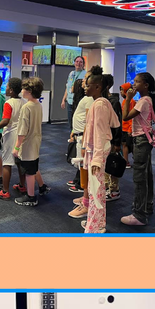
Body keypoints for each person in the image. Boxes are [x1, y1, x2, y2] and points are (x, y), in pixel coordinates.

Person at [120, 71, 155, 228]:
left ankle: (139, 214)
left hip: (141, 141)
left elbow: (125, 117)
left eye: (137, 82)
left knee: (139, 176)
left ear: (146, 85)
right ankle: (147, 206)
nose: (134, 83)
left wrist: (128, 99)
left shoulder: (143, 101)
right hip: (146, 139)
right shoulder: (148, 99)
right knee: (146, 174)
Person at [81, 68, 119, 234]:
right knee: (94, 187)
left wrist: (96, 158)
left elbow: (100, 132)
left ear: (97, 87)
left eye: (88, 85)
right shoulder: (101, 103)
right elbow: (114, 122)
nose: (85, 87)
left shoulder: (101, 105)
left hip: (98, 149)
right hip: (96, 148)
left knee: (96, 188)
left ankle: (95, 226)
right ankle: (96, 223)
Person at [13, 77, 49, 208]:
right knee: (33, 165)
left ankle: (31, 197)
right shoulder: (38, 104)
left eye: (24, 89)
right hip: (36, 140)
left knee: (28, 171)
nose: (21, 91)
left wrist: (16, 147)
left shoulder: (26, 107)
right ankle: (42, 186)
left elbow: (22, 130)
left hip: (27, 143)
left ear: (29, 91)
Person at [0, 77, 25, 200]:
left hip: (10, 134)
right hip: (21, 134)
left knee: (7, 162)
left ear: (11, 90)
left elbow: (5, 120)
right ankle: (22, 186)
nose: (5, 88)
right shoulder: (24, 102)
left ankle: (5, 191)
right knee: (19, 161)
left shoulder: (8, 103)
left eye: (6, 87)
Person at [66, 76, 93, 220]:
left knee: (85, 171)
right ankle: (85, 199)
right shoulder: (86, 98)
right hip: (80, 136)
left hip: (84, 138)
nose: (83, 83)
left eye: (86, 81)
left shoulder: (90, 99)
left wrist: (83, 143)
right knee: (83, 170)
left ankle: (86, 204)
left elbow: (89, 122)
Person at [104, 74, 123, 203]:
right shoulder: (100, 100)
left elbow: (117, 124)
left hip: (111, 139)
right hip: (103, 139)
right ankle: (105, 188)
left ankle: (114, 190)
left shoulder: (113, 102)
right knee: (104, 165)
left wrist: (117, 142)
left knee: (112, 163)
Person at [60, 55, 87, 129]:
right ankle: (72, 137)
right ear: (74, 63)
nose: (78, 63)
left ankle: (76, 137)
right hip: (70, 101)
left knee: (77, 121)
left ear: (83, 64)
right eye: (77, 61)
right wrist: (63, 99)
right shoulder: (71, 73)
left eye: (81, 62)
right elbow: (67, 87)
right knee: (70, 121)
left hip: (78, 101)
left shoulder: (85, 74)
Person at [119, 82, 135, 167]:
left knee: (128, 145)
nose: (121, 92)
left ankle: (126, 162)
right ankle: (126, 161)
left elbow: (132, 117)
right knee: (124, 145)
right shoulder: (125, 101)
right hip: (123, 127)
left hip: (127, 128)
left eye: (122, 90)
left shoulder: (131, 102)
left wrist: (130, 129)